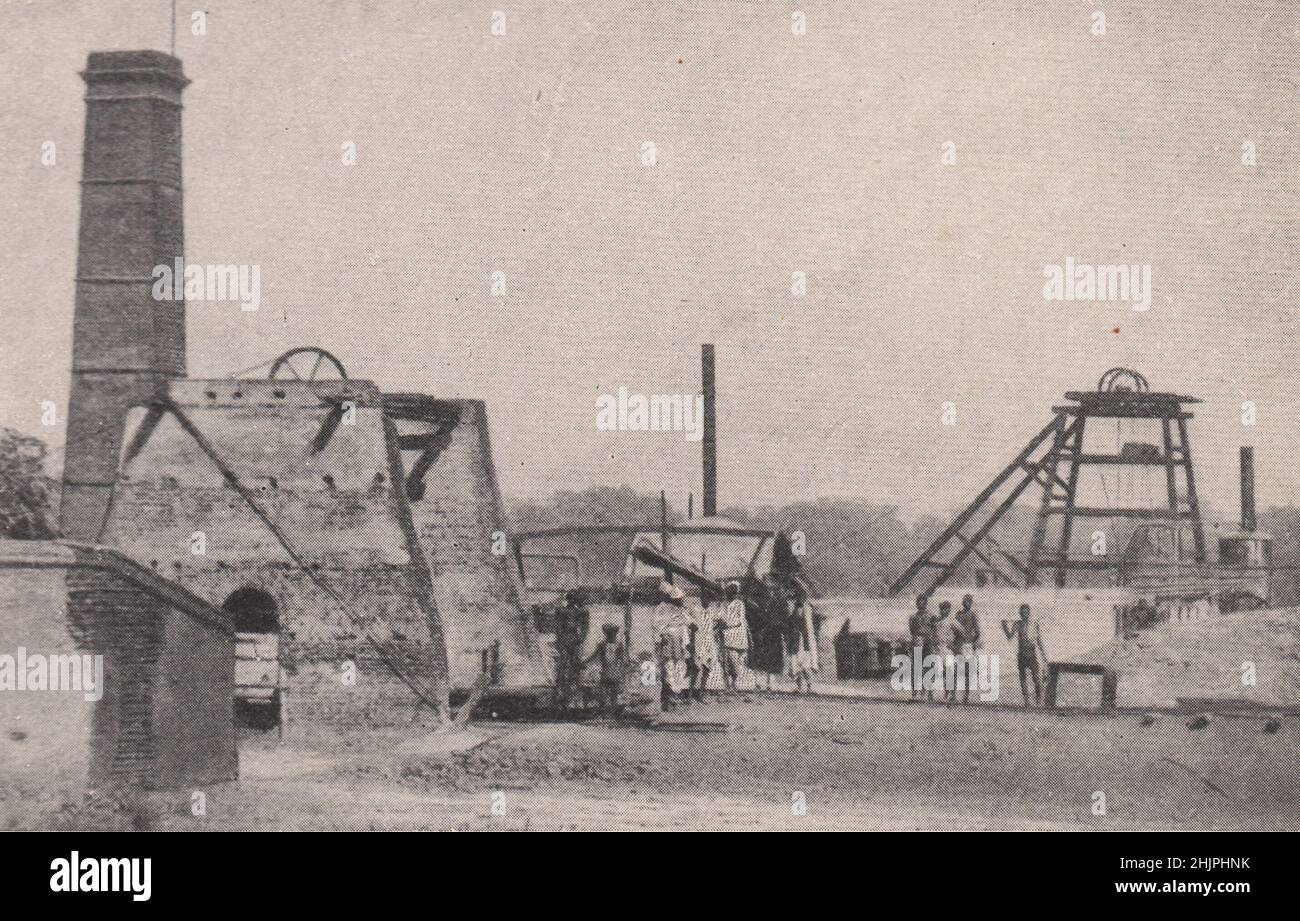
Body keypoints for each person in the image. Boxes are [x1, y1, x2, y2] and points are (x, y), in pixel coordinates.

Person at [653, 581, 691, 710]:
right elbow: (657, 626)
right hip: (668, 640)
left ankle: (673, 697)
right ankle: (667, 700)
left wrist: (686, 642)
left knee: (677, 667)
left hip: (678, 641)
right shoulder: (661, 608)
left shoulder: (676, 609)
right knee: (668, 668)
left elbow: (686, 624)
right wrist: (661, 637)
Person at [1002, 603, 1048, 706]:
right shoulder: (1017, 624)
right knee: (1023, 678)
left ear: (1029, 613)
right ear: (1020, 614)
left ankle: (1038, 700)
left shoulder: (1034, 624)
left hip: (1031, 653)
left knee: (1036, 677)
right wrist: (1004, 627)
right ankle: (1027, 701)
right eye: (1022, 613)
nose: (1024, 615)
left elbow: (1039, 641)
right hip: (1022, 654)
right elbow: (1010, 637)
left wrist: (1044, 656)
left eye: (1026, 613)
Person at [552, 590, 589, 712]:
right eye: (572, 599)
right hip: (567, 639)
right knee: (563, 666)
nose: (573, 602)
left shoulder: (580, 611)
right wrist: (561, 641)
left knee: (574, 667)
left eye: (574, 600)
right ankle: (561, 695)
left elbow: (585, 626)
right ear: (569, 600)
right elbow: (558, 627)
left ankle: (572, 697)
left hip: (572, 638)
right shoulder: (563, 611)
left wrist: (581, 638)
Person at [585, 624, 627, 717]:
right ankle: (606, 713)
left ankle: (612, 713)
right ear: (606, 634)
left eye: (612, 633)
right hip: (608, 672)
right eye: (609, 633)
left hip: (613, 672)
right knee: (605, 693)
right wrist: (584, 662)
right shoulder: (602, 645)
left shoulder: (618, 645)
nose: (611, 635)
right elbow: (594, 655)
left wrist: (623, 670)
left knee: (612, 694)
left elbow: (622, 659)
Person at [687, 593, 718, 702]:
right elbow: (685, 617)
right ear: (701, 598)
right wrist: (691, 629)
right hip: (698, 640)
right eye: (705, 597)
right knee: (695, 667)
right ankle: (690, 695)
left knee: (707, 667)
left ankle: (701, 693)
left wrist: (714, 631)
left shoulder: (711, 611)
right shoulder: (695, 608)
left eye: (709, 598)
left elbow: (722, 620)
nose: (707, 600)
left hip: (709, 641)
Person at [720, 581, 751, 691]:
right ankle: (728, 685)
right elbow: (721, 615)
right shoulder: (724, 604)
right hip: (727, 636)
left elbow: (740, 620)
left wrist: (727, 623)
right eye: (729, 592)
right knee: (727, 661)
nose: (731, 594)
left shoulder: (739, 604)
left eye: (733, 592)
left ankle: (734, 683)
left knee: (737, 663)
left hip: (738, 636)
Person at [953, 594, 981, 704]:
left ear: (971, 603)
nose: (967, 603)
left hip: (968, 645)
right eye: (966, 601)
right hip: (960, 644)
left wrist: (972, 642)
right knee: (956, 670)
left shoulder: (973, 615)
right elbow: (954, 630)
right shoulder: (958, 614)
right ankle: (954, 694)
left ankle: (966, 695)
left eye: (969, 602)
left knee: (968, 671)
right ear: (963, 603)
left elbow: (977, 632)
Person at [933, 600, 960, 702]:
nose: (944, 611)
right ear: (940, 610)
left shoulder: (952, 621)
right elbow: (934, 635)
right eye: (942, 609)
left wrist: (954, 645)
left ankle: (952, 694)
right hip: (939, 649)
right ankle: (946, 692)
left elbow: (961, 632)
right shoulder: (937, 621)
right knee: (942, 672)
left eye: (946, 609)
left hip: (948, 649)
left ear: (949, 610)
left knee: (951, 671)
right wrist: (935, 646)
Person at [907, 594, 932, 700]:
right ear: (917, 604)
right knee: (915, 668)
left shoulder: (931, 616)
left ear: (926, 603)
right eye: (919, 602)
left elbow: (933, 630)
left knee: (927, 667)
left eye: (923, 602)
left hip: (927, 642)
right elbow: (912, 630)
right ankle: (915, 692)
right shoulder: (913, 617)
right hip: (917, 641)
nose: (921, 604)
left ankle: (924, 691)